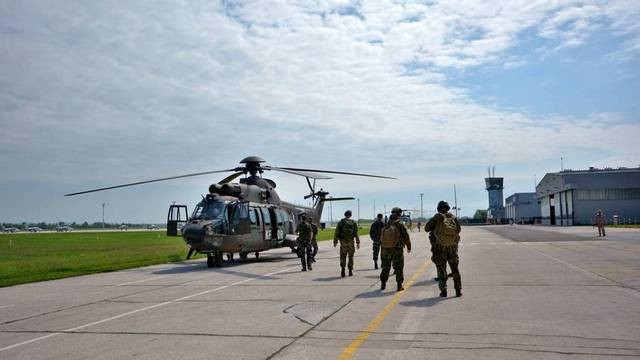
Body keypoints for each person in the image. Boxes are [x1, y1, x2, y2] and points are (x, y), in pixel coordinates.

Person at [425, 201, 462, 297]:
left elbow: (427, 228)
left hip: (439, 248)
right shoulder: (453, 217)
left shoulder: (437, 217)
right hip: (452, 248)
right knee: (455, 269)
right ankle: (458, 291)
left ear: (438, 208)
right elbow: (458, 230)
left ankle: (443, 291)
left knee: (441, 270)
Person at [380, 207, 411, 291]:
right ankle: (399, 285)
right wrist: (409, 246)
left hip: (386, 249)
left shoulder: (386, 224)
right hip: (397, 249)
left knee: (386, 266)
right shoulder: (400, 224)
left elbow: (382, 236)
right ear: (399, 214)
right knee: (399, 267)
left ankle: (383, 284)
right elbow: (406, 236)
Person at [334, 210, 360, 277]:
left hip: (343, 243)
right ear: (350, 215)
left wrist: (335, 241)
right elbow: (356, 233)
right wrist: (358, 242)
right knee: (351, 257)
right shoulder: (353, 222)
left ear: (345, 214)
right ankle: (350, 271)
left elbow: (337, 232)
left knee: (343, 256)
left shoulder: (341, 222)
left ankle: (343, 268)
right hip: (351, 243)